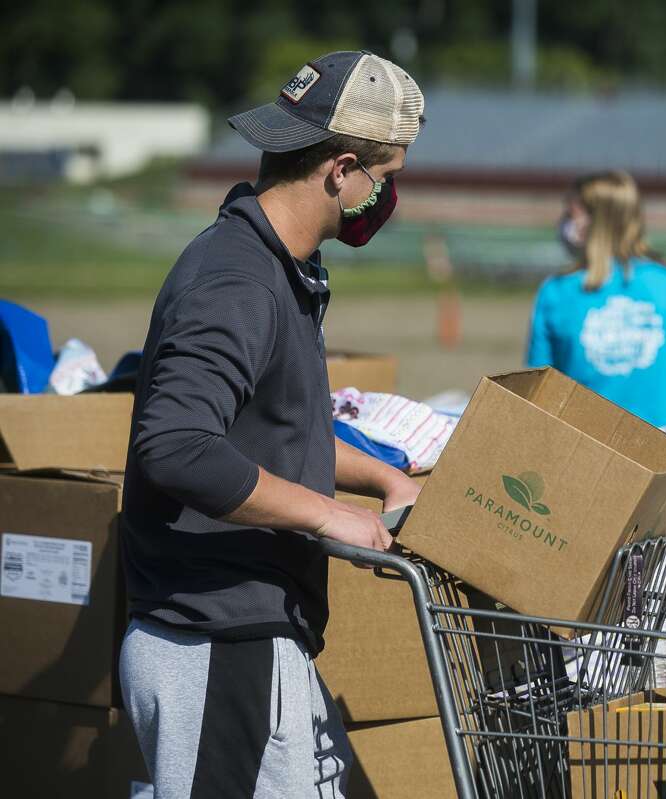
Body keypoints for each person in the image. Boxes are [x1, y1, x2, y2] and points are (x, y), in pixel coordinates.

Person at [119, 51, 424, 798]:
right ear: (340, 169)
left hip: (252, 637)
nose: (385, 199)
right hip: (214, 641)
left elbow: (278, 420)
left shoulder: (279, 266)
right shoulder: (237, 280)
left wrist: (381, 476)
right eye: (384, 179)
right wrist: (329, 515)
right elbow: (177, 445)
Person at [526, 170, 666, 427]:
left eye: (570, 214)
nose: (561, 222)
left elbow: (540, 395)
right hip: (663, 452)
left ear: (590, 223)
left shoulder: (555, 291)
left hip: (582, 448)